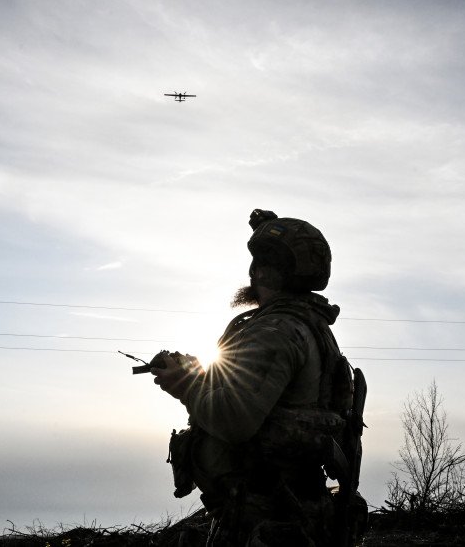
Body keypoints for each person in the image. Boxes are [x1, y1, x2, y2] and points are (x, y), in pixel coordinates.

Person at [152, 209, 362, 547]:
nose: (253, 273)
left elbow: (236, 420)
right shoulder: (308, 326)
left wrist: (183, 383)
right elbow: (265, 397)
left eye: (260, 264)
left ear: (266, 271)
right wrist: (199, 373)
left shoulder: (275, 332)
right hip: (284, 511)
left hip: (264, 515)